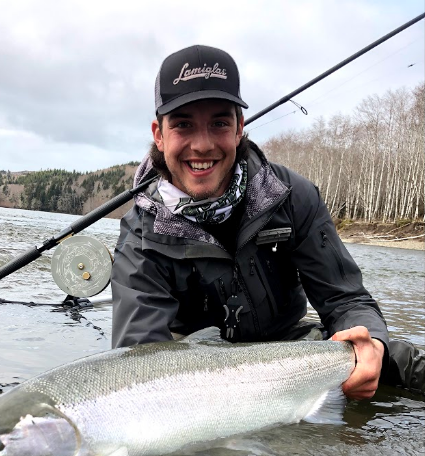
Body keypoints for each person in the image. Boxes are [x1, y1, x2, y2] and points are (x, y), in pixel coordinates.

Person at [111, 44, 421, 399]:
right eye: (183, 125)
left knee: (397, 359)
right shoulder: (139, 235)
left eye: (219, 123)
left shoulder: (291, 195)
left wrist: (370, 344)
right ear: (159, 135)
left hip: (286, 349)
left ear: (240, 127)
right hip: (188, 367)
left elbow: (346, 301)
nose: (202, 144)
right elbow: (137, 362)